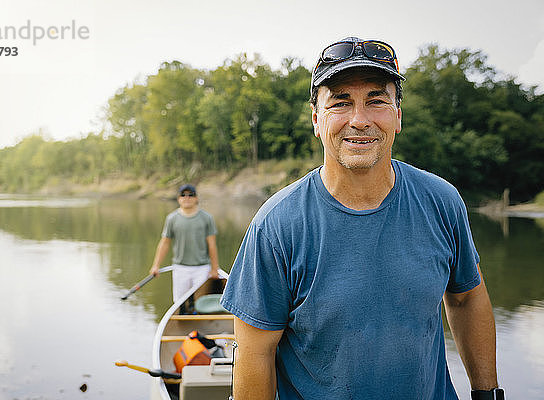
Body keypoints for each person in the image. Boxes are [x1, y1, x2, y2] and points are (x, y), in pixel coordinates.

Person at [220, 37, 503, 400]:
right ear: (317, 120)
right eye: (341, 103)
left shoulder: (441, 201)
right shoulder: (277, 226)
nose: (360, 119)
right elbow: (256, 352)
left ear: (397, 116)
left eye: (376, 101)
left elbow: (467, 298)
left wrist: (487, 393)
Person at [150, 184, 219, 312]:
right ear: (178, 198)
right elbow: (165, 243)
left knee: (199, 302)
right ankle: (182, 320)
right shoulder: (172, 218)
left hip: (202, 268)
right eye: (183, 195)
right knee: (179, 302)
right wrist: (156, 265)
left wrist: (215, 268)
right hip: (180, 268)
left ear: (196, 198)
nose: (187, 198)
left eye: (190, 195)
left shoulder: (206, 218)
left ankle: (197, 321)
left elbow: (212, 244)